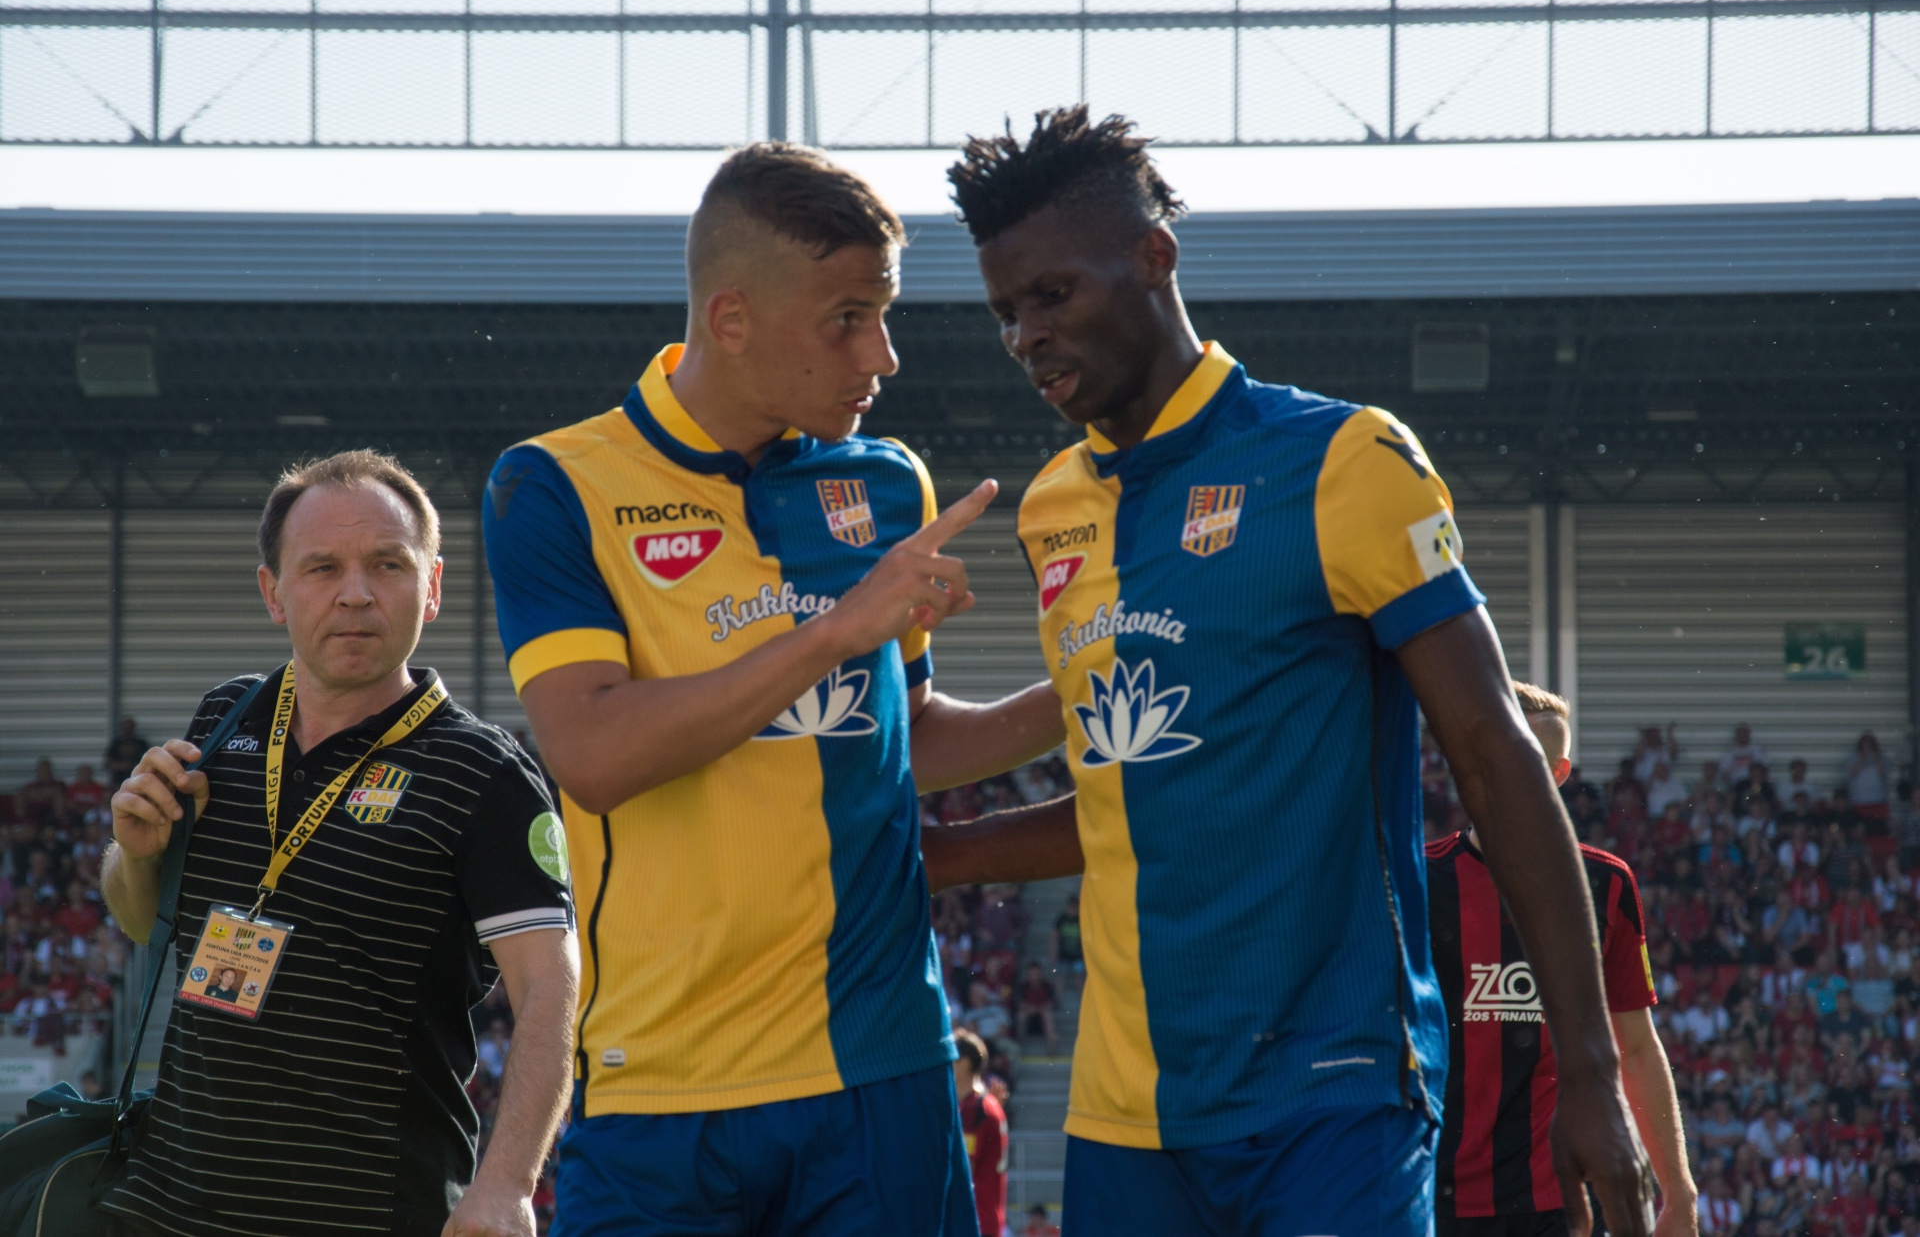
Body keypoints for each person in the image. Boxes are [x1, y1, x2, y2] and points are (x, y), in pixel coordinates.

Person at [924, 106, 1653, 1237]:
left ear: (1154, 257)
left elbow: (1494, 752)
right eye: (1006, 312)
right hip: (1126, 1116)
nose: (1027, 336)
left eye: (1053, 295)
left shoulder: (1343, 460)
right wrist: (939, 856)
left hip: (1333, 1095)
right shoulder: (1055, 509)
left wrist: (1592, 1072)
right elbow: (1138, 792)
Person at [483, 143, 1064, 1236]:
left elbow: (907, 736)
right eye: (847, 318)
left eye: (884, 315)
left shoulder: (886, 484)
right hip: (659, 1088)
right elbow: (594, 755)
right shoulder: (553, 483)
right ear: (733, 318)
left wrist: (1078, 691)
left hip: (878, 1067)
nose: (882, 354)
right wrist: (838, 629)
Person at [99, 450, 578, 1237]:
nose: (355, 593)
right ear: (273, 592)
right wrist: (137, 852)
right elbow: (138, 919)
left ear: (432, 588)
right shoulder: (223, 721)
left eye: (388, 564)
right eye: (322, 568)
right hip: (167, 1208)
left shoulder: (484, 774)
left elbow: (551, 989)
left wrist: (508, 1185)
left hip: (367, 1213)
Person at [1426, 683, 1697, 1237]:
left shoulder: (1605, 885)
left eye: (1529, 761)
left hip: (1559, 1203)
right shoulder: (1420, 878)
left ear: (1558, 772)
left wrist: (1679, 1189)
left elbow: (1636, 1047)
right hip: (1432, 1196)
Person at [955, 1028, 1010, 1237]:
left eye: (950, 1057)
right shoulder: (982, 1104)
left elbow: (964, 1168)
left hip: (975, 1220)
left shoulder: (975, 1108)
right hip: (984, 1219)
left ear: (964, 1063)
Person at [105, 716, 149, 785]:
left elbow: (148, 761)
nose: (128, 729)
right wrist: (120, 766)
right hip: (118, 780)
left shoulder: (141, 743)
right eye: (126, 727)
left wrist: (133, 765)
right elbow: (107, 763)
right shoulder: (116, 743)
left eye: (130, 727)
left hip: (138, 779)